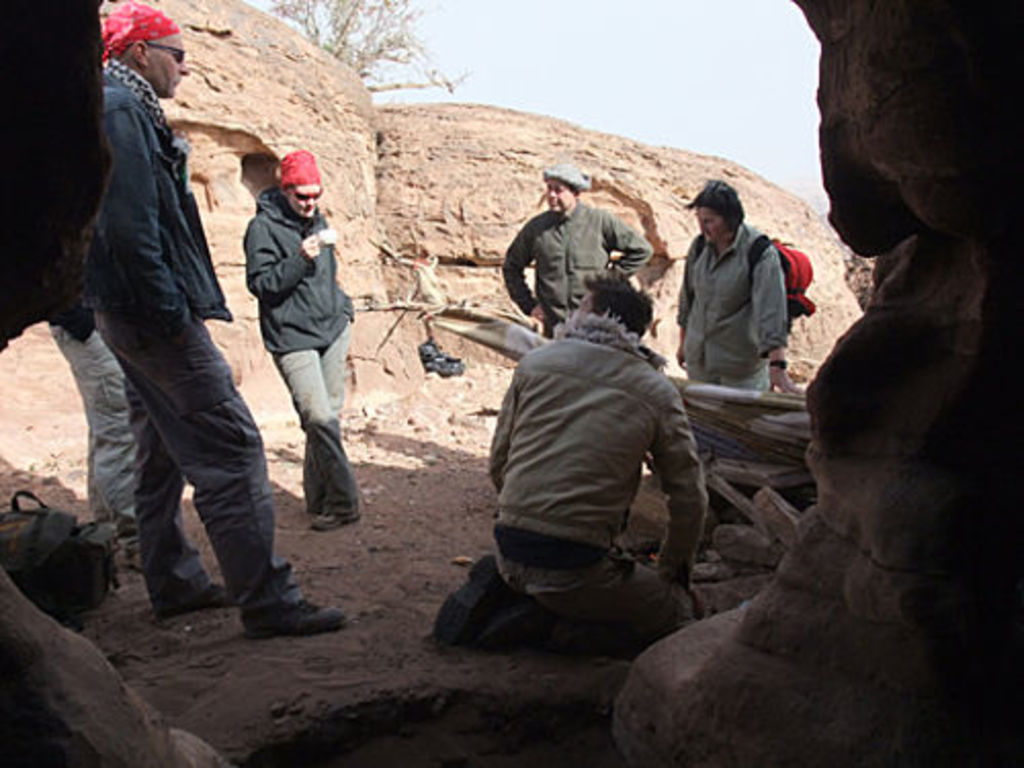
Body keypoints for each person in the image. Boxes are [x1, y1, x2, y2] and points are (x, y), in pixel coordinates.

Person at [84, 2, 344, 638]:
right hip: (149, 315)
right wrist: (172, 313)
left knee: (158, 451)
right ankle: (268, 600)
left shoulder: (123, 105)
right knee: (232, 447)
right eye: (177, 54)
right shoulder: (121, 109)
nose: (187, 68)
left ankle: (174, 584)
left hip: (126, 311)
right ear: (140, 51)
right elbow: (129, 227)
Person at [488, 275, 708, 646]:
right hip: (576, 566)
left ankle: (537, 603)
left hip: (507, 552)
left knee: (568, 575)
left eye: (581, 307)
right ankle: (566, 633)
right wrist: (672, 570)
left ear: (596, 315)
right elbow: (690, 498)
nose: (572, 314)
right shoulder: (656, 391)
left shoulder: (535, 363)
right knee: (680, 609)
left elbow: (499, 464)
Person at [244, 150, 360, 532]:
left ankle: (318, 499)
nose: (310, 204)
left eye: (315, 195)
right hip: (292, 337)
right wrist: (299, 259)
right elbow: (262, 284)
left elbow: (328, 275)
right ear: (286, 190)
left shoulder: (318, 220)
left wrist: (344, 307)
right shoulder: (263, 229)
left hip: (331, 328)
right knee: (319, 418)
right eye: (302, 197)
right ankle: (345, 504)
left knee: (326, 419)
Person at [676, 180, 801, 393]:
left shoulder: (759, 253)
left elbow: (771, 311)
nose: (702, 227)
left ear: (729, 220)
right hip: (700, 364)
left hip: (740, 371)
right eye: (700, 219)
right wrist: (683, 342)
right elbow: (688, 298)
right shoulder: (699, 248)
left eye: (709, 221)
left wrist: (777, 366)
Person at [503, 163, 653, 337]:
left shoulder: (600, 221)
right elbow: (512, 267)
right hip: (553, 328)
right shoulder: (536, 228)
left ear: (575, 192)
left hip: (593, 325)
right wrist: (529, 305)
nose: (551, 195)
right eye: (549, 188)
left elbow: (642, 250)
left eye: (558, 190)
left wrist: (608, 280)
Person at [49, 303, 137, 538]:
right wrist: (84, 324)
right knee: (120, 429)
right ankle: (132, 538)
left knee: (109, 425)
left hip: (93, 323)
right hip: (88, 325)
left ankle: (108, 531)